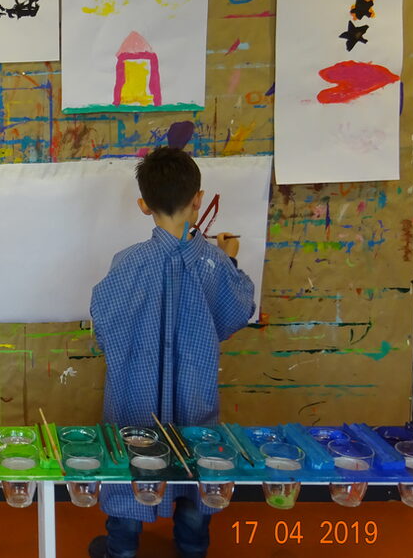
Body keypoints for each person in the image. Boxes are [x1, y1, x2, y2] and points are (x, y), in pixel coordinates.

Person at [88, 147, 256, 558]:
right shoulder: (214, 263)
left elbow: (104, 326)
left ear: (143, 205)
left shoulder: (126, 263)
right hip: (194, 392)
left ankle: (121, 549)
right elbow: (238, 311)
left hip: (133, 396)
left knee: (132, 458)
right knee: (197, 462)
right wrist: (230, 261)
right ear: (198, 199)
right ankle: (192, 548)